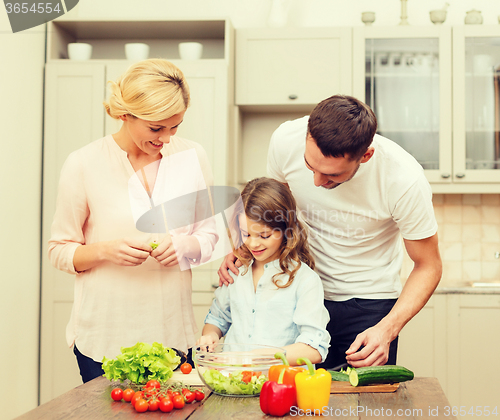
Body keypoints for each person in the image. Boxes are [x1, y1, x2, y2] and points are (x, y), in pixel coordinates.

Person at [219, 95, 442, 369]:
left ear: (366, 155)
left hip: (368, 304)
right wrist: (243, 249)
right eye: (310, 166)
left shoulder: (404, 180)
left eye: (332, 176)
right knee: (299, 405)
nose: (316, 181)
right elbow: (276, 214)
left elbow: (428, 265)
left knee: (362, 407)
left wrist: (387, 329)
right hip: (298, 292)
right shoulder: (285, 140)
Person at [48, 59, 218, 383]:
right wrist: (104, 251)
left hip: (173, 337)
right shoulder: (83, 164)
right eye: (156, 128)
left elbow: (209, 237)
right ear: (125, 114)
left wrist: (184, 246)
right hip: (103, 339)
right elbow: (59, 249)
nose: (166, 138)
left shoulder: (192, 157)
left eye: (175, 127)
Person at [198, 177, 330, 365]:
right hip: (231, 380)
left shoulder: (305, 280)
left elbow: (313, 348)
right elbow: (217, 319)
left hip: (278, 384)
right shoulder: (237, 270)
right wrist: (210, 335)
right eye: (246, 234)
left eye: (264, 235)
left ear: (286, 229)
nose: (252, 243)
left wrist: (252, 358)